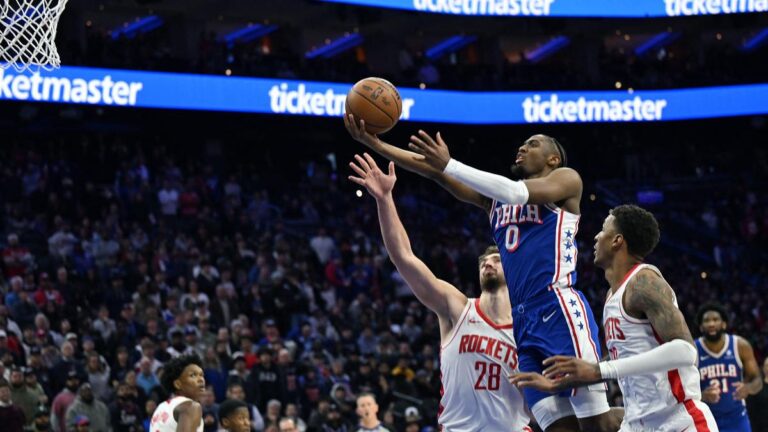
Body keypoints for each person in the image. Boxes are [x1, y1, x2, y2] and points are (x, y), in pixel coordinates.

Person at [345, 118, 617, 432]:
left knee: (598, 424)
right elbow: (434, 171)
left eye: (532, 144)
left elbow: (515, 192)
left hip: (557, 307)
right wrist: (377, 144)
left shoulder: (566, 180)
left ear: (553, 159)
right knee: (560, 429)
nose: (522, 148)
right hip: (524, 323)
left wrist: (451, 164)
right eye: (522, 143)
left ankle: (651, 419)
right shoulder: (494, 202)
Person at [348, 152, 529, 431]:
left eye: (496, 260)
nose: (488, 264)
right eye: (484, 262)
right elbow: (404, 257)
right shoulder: (456, 307)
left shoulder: (526, 327)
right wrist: (384, 199)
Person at [510, 205, 719, 431]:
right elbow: (627, 356)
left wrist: (599, 370)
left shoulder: (644, 283)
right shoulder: (612, 295)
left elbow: (686, 351)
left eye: (603, 229)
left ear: (617, 241)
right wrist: (563, 382)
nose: (596, 236)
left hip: (679, 420)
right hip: (637, 423)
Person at [696, 303, 763, 432]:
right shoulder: (694, 350)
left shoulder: (740, 345)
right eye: (706, 321)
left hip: (737, 419)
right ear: (701, 327)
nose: (711, 324)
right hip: (706, 419)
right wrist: (701, 395)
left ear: (724, 324)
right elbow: (684, 389)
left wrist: (748, 388)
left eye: (715, 319)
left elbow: (758, 380)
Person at [150, 354, 206, 432]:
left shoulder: (160, 408)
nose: (201, 379)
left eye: (201, 375)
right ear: (178, 384)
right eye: (193, 375)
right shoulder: (190, 407)